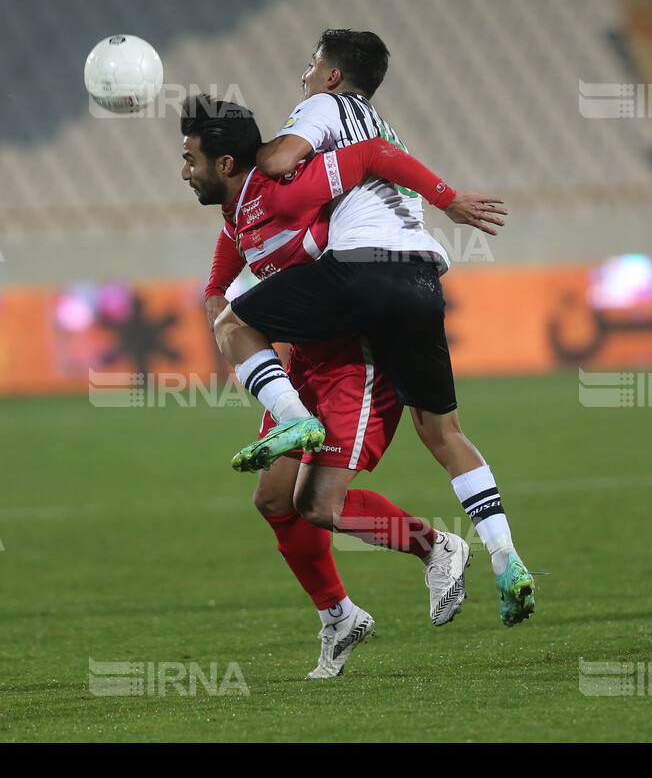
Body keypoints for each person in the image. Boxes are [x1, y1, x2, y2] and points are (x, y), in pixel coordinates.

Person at [186, 66, 534, 627]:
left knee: (320, 504)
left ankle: (436, 547)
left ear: (224, 164)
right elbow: (214, 290)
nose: (183, 172)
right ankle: (340, 616)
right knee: (274, 500)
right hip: (309, 355)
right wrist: (222, 322)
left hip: (353, 356)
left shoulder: (287, 183)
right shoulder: (235, 220)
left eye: (190, 160)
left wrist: (445, 199)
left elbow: (371, 154)